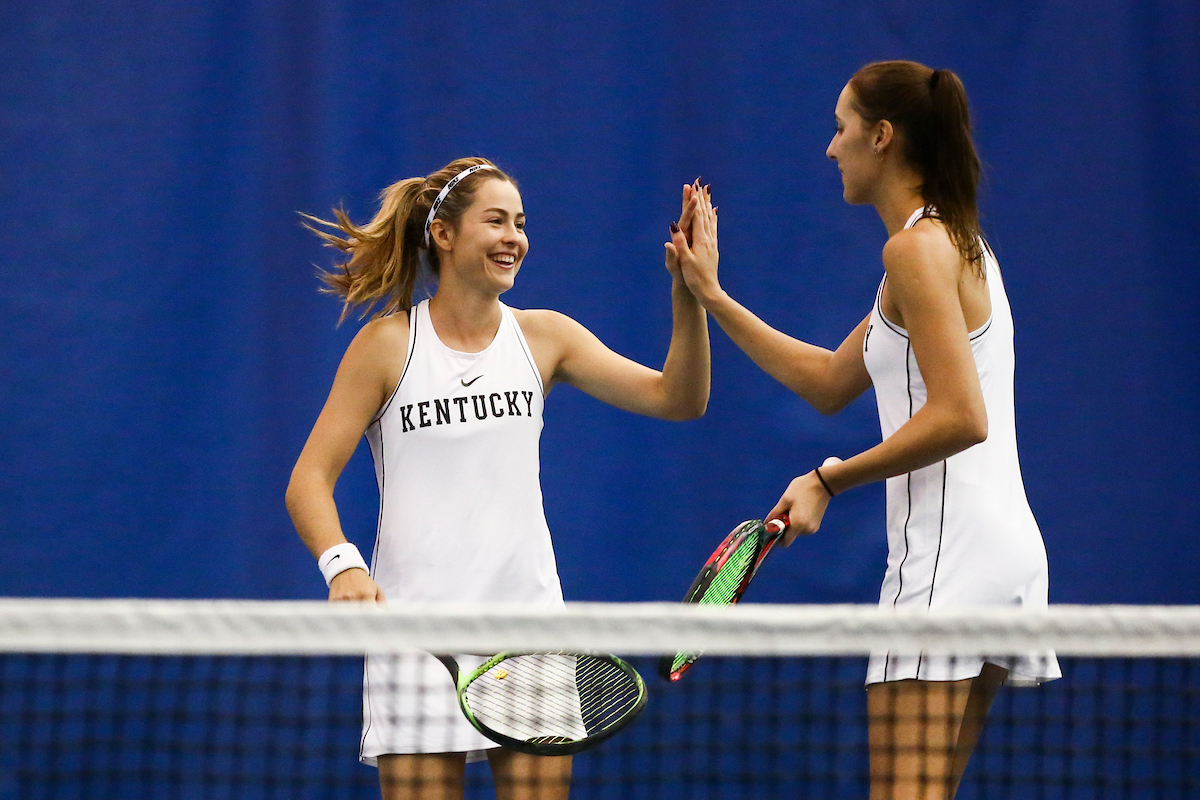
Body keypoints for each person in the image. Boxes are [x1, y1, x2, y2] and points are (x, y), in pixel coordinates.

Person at [674, 62, 1060, 799]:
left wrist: (828, 479)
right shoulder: (950, 243)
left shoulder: (914, 251)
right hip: (1003, 557)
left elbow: (961, 416)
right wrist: (711, 295)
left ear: (881, 138)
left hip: (948, 561)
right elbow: (828, 382)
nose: (830, 147)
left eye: (841, 127)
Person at [285, 157, 714, 800]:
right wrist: (341, 566)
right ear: (445, 234)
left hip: (531, 629)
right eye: (496, 221)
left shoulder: (545, 338)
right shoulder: (388, 345)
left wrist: (690, 294)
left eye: (521, 222)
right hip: (416, 639)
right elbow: (309, 480)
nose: (515, 237)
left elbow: (679, 398)